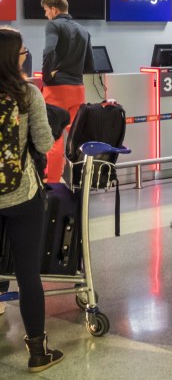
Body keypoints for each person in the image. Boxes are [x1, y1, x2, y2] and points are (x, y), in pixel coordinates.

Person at [0, 27, 64, 371]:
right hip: (21, 194)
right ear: (14, 57)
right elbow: (42, 144)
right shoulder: (27, 94)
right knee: (27, 274)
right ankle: (38, 352)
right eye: (23, 52)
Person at [40, 0, 91, 183]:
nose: (46, 15)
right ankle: (83, 180)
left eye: (46, 11)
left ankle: (52, 183)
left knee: (54, 140)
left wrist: (47, 76)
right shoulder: (84, 30)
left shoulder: (53, 25)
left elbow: (49, 50)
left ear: (54, 9)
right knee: (78, 138)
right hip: (78, 89)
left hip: (57, 91)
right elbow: (89, 65)